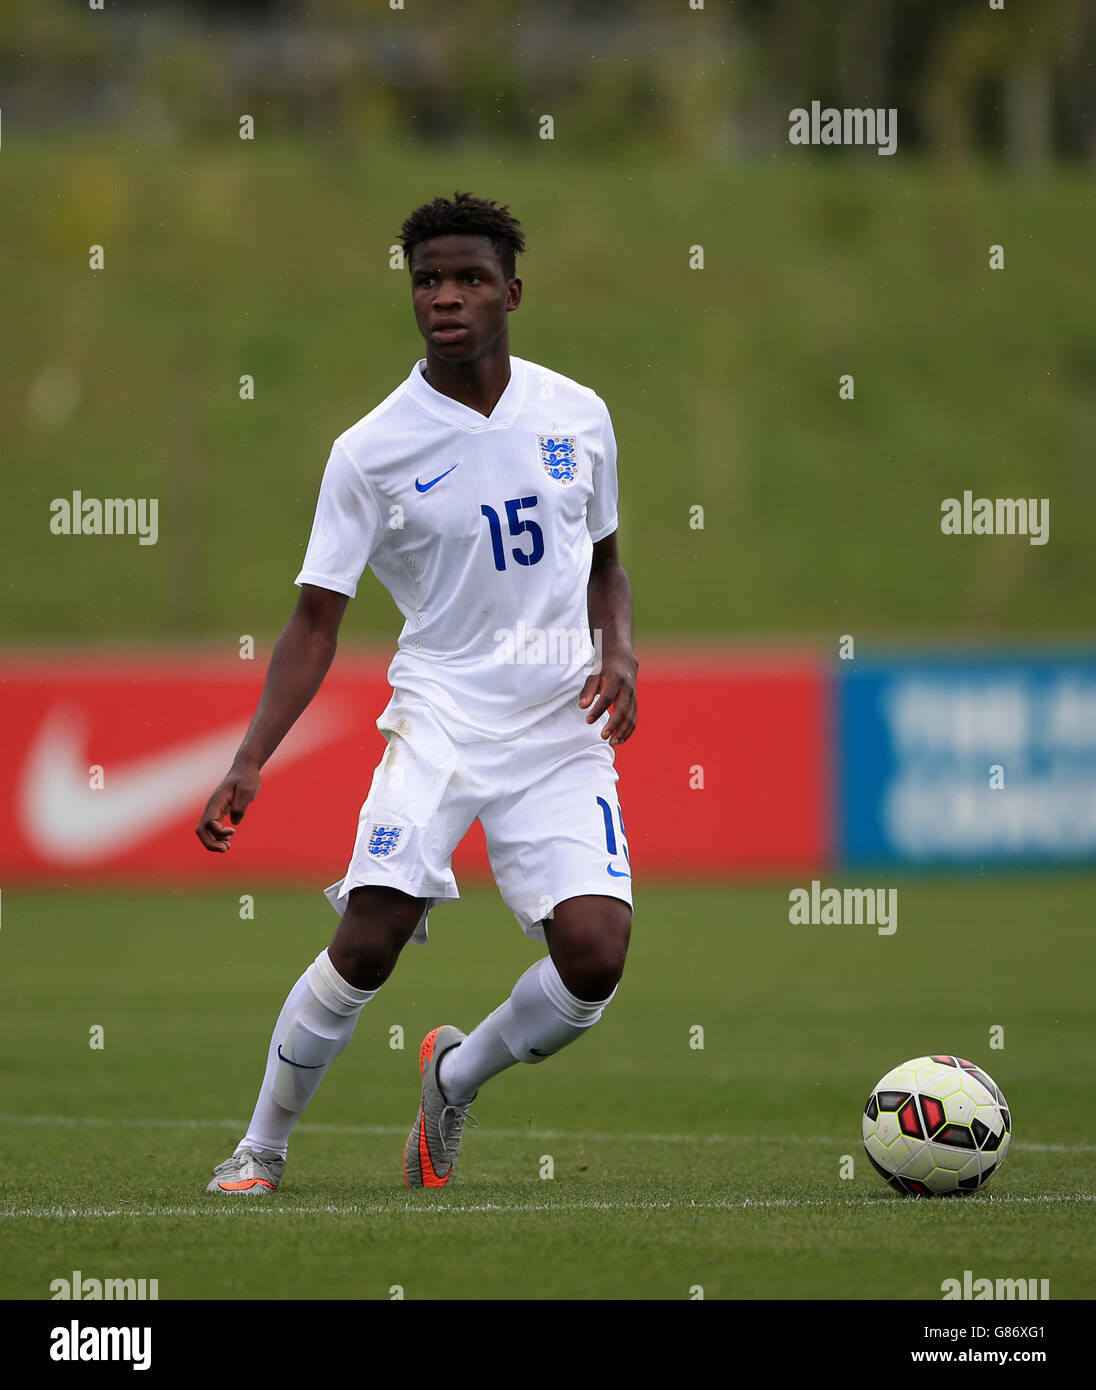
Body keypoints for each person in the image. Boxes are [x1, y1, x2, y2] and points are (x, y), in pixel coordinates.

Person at [195, 191, 638, 1192]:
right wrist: (251, 755)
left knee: (596, 955)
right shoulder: (371, 451)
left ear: (511, 292)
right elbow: (316, 619)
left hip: (560, 726)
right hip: (440, 719)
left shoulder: (580, 414)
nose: (446, 297)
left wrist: (619, 648)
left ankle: (455, 1073)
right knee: (369, 937)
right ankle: (259, 1148)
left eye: (469, 278)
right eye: (427, 280)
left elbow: (607, 561)